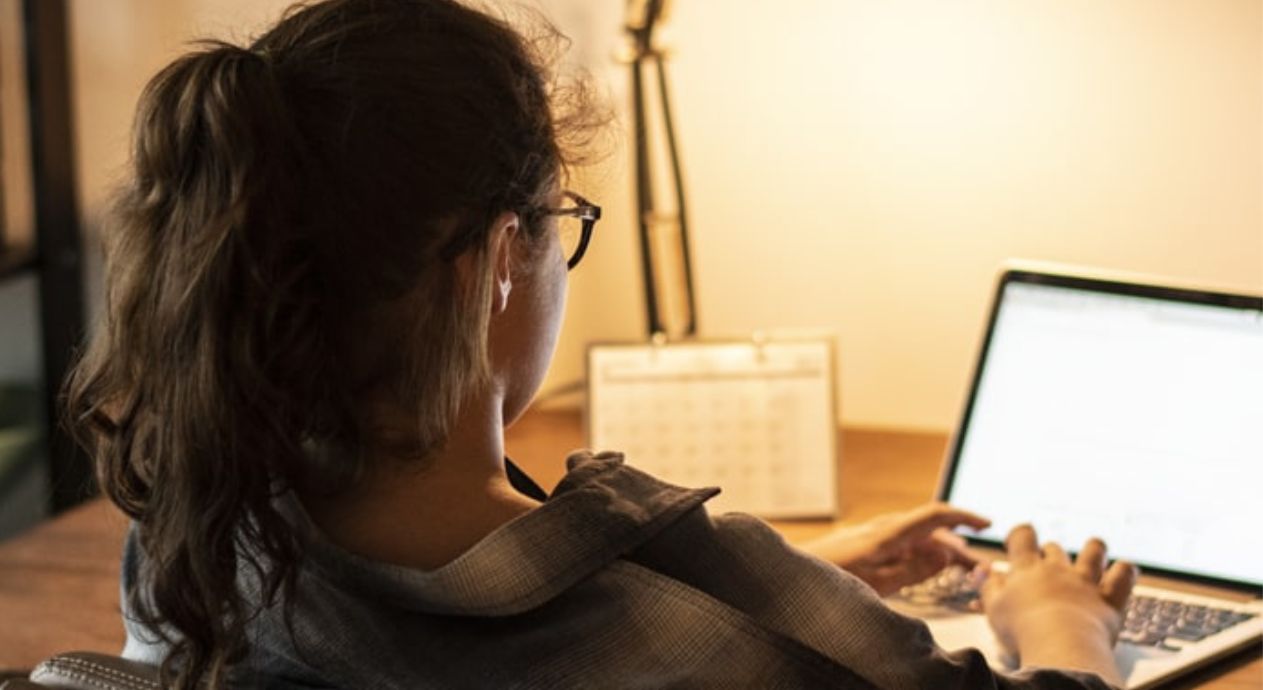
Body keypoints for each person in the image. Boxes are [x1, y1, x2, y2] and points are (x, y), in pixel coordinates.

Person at [64, 0, 1136, 688]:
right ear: (494, 262)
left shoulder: (192, 550)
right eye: (558, 222)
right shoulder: (718, 617)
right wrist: (1060, 624)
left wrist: (798, 576)